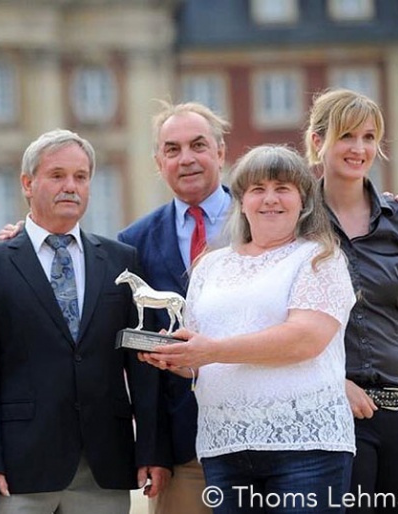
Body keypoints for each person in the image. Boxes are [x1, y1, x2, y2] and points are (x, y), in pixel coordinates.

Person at [0, 129, 171, 514]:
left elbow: (141, 368)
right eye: (57, 176)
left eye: (81, 177)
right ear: (27, 183)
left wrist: (153, 448)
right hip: (19, 469)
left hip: (104, 464)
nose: (70, 186)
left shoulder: (122, 261)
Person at [142, 144, 357, 513]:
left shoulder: (320, 257)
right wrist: (175, 356)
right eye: (257, 189)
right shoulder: (210, 266)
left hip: (305, 446)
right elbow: (198, 356)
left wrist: (209, 351)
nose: (269, 199)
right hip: (225, 446)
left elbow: (304, 340)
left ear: (303, 200)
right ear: (241, 201)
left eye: (282, 188)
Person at [305, 88, 398, 513]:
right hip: (338, 415)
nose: (360, 148)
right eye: (347, 136)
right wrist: (332, 384)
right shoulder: (298, 227)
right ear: (318, 142)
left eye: (369, 137)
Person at [117, 101, 230, 514]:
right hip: (182, 451)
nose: (186, 159)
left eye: (198, 145)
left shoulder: (265, 219)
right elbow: (138, 362)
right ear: (158, 162)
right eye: (172, 149)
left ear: (220, 152)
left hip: (264, 438)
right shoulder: (133, 242)